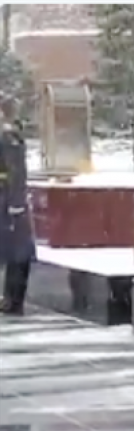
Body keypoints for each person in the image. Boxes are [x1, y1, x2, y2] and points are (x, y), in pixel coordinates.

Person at [0, 93, 33, 316]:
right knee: (14, 250)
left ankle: (13, 299)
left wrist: (16, 202)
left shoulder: (8, 136)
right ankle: (10, 298)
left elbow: (16, 171)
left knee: (18, 251)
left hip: (7, 200)